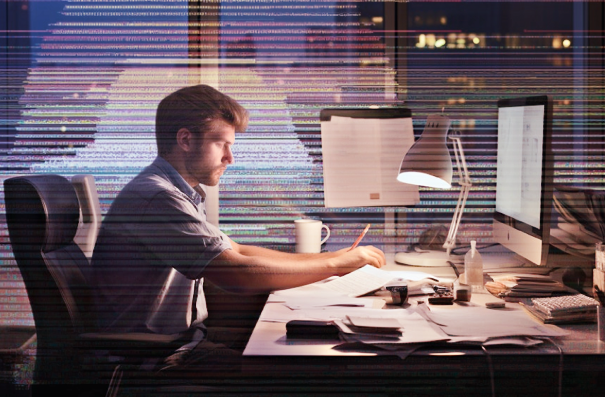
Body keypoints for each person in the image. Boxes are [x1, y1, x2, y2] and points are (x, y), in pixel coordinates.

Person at [92, 84, 385, 368]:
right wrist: (336, 265)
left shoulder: (175, 191)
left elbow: (238, 250)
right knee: (303, 372)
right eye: (222, 144)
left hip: (185, 341)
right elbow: (236, 273)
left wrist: (336, 258)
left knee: (307, 347)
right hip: (155, 357)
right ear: (185, 140)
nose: (229, 158)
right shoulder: (157, 197)